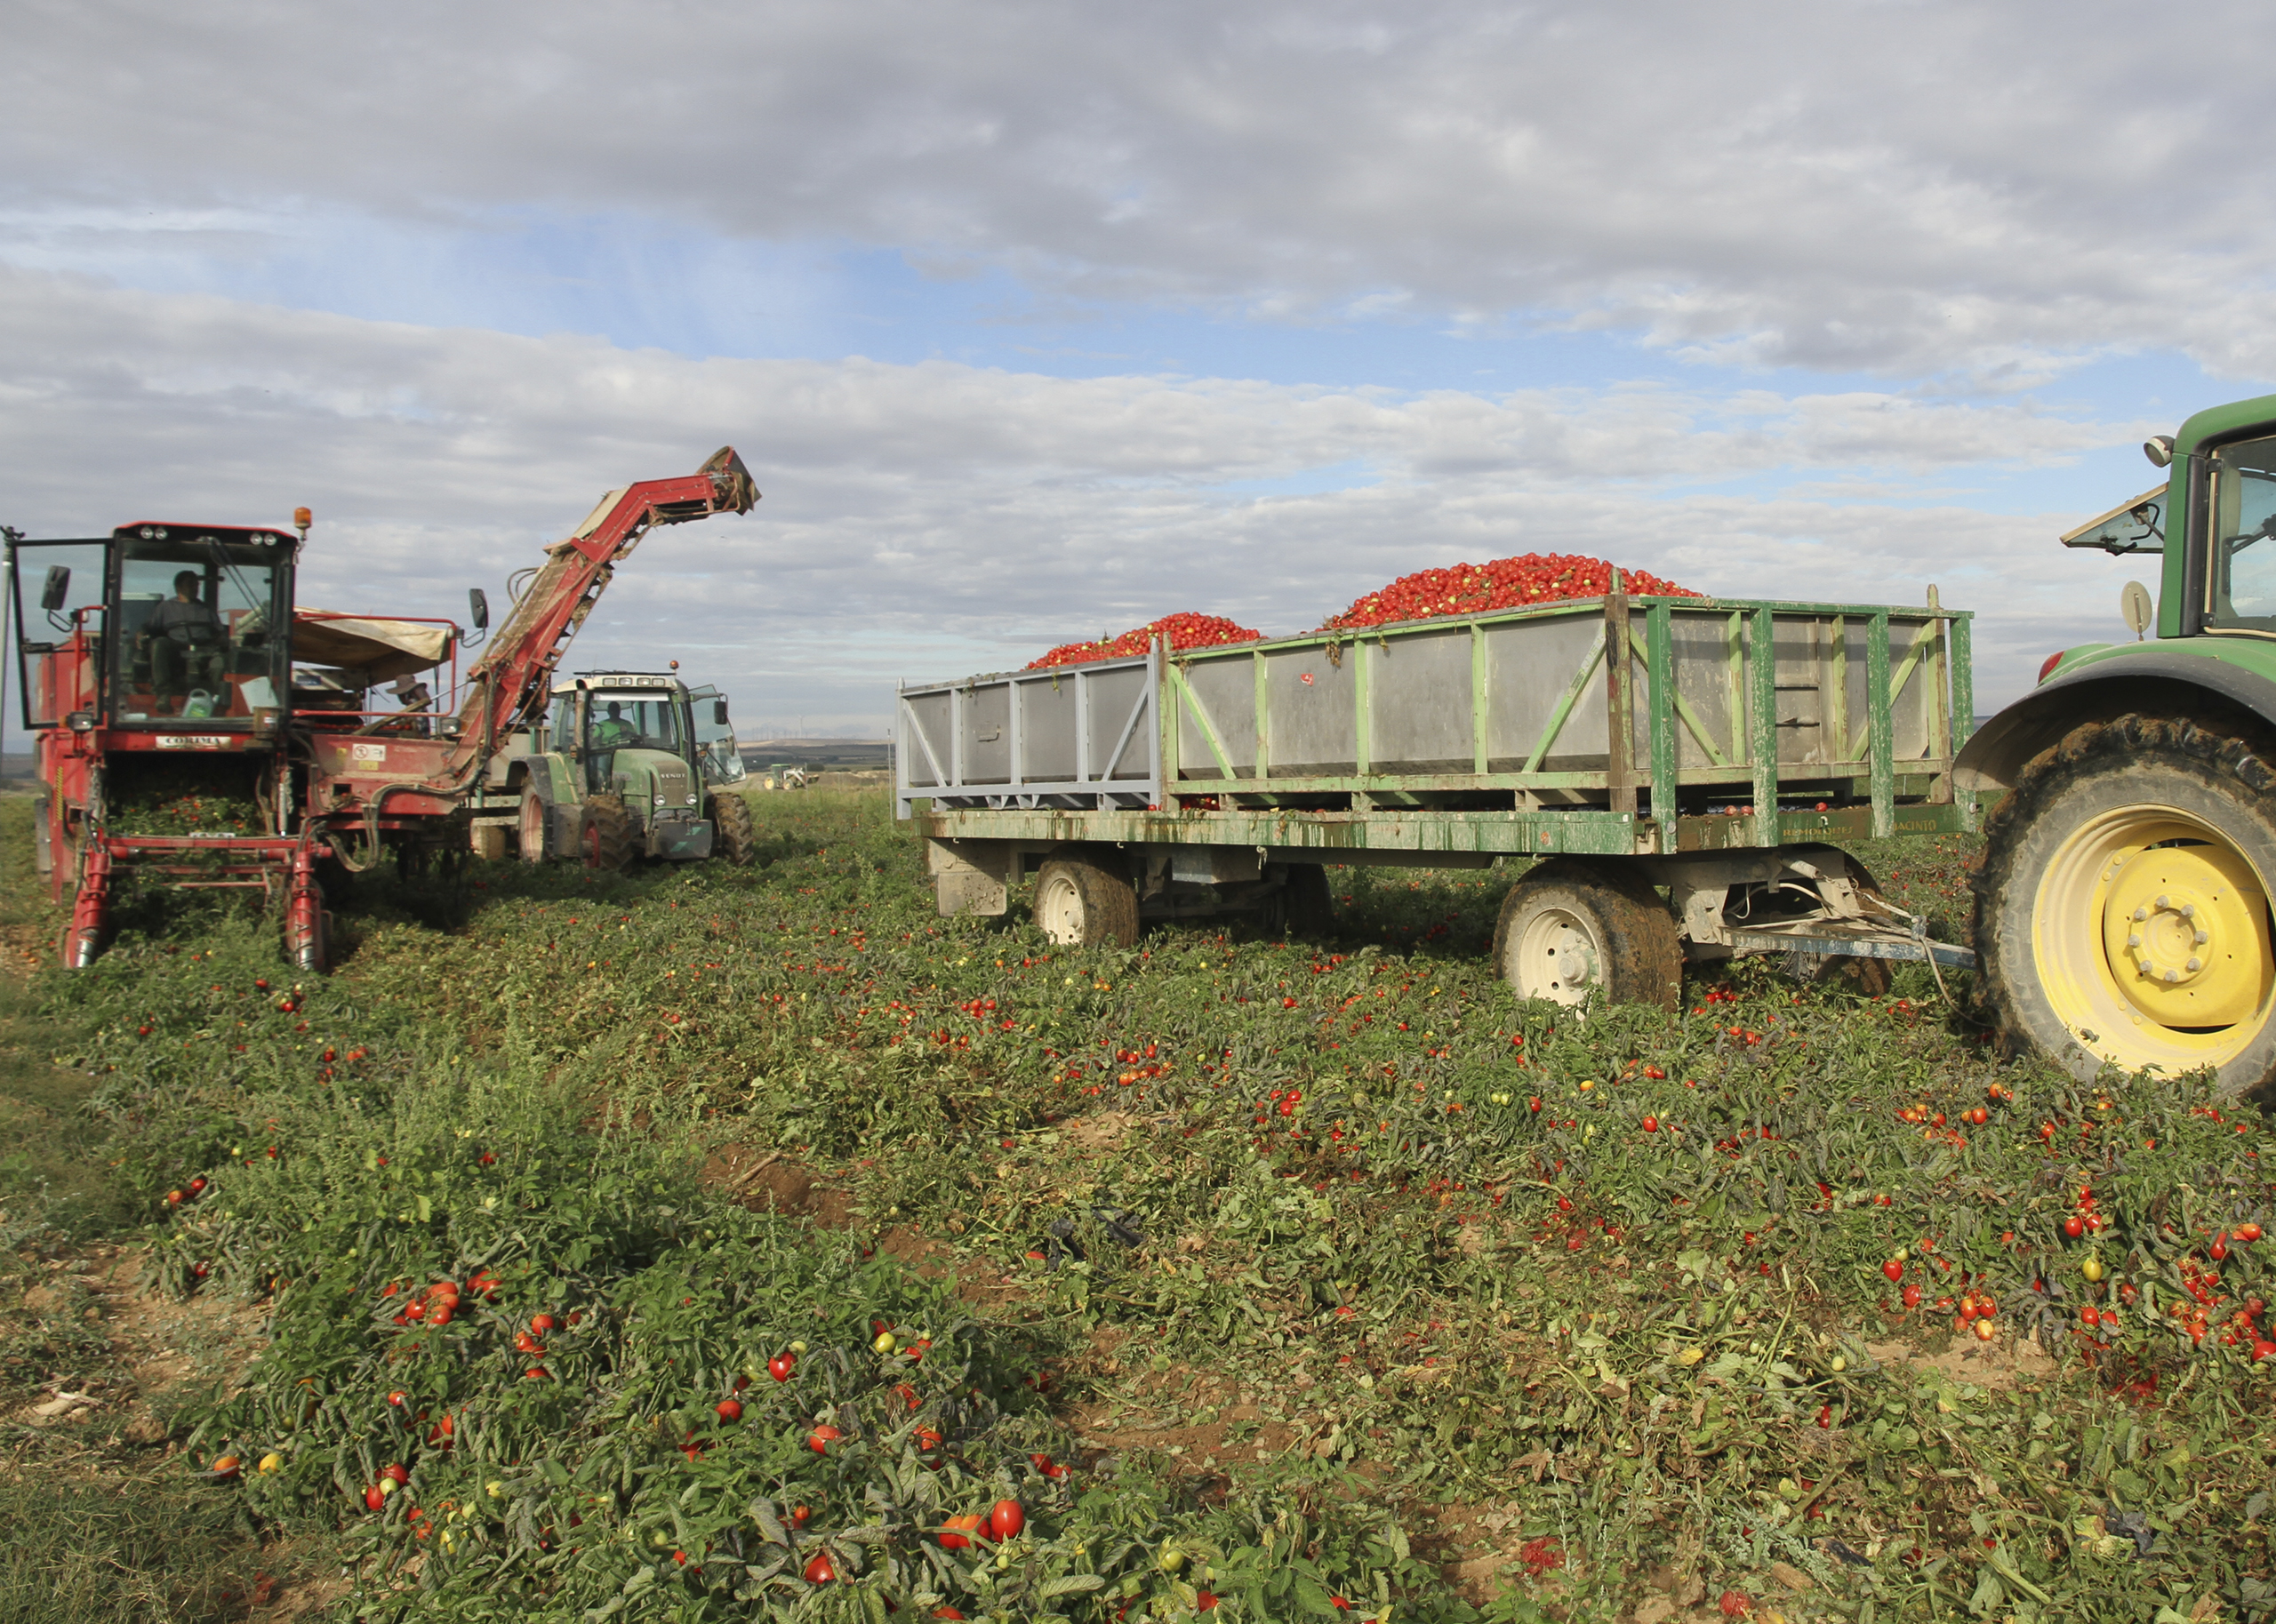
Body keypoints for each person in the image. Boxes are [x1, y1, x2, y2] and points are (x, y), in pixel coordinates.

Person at [141, 571, 224, 715]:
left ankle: (211, 701)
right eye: (190, 584)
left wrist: (221, 640)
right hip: (176, 651)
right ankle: (163, 695)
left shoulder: (206, 609)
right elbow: (149, 628)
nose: (195, 588)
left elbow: (219, 632)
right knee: (159, 643)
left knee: (219, 662)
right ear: (179, 587)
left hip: (204, 650)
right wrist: (141, 634)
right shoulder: (166, 607)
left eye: (197, 585)